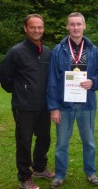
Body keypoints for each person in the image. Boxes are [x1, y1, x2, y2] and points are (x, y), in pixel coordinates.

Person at [47, 12, 98, 188]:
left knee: (89, 142)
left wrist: (93, 82)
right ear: (67, 26)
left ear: (84, 26)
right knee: (62, 142)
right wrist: (54, 107)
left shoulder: (93, 49)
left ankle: (91, 172)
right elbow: (53, 80)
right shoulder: (58, 49)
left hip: (87, 104)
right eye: (72, 24)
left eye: (79, 24)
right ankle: (60, 174)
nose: (76, 27)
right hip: (64, 105)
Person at [0, 14, 55, 189]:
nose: (36, 30)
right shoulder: (16, 52)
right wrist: (20, 91)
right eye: (33, 27)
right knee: (24, 142)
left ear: (43, 29)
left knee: (44, 138)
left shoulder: (46, 51)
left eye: (39, 27)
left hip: (43, 105)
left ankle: (39, 168)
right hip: (24, 107)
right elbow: (5, 78)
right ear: (25, 28)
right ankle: (24, 178)